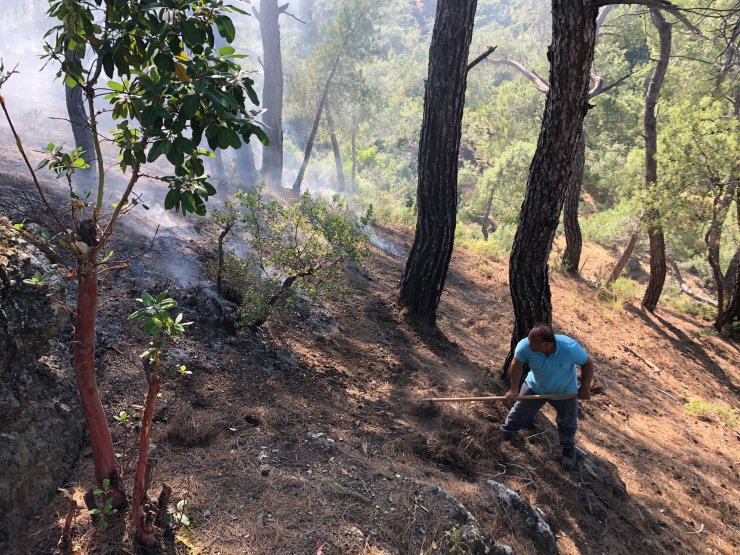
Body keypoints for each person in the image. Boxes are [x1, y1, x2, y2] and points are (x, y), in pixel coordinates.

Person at [501, 323, 595, 470]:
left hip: (565, 391)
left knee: (568, 422)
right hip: (535, 387)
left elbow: (588, 364)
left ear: (547, 344)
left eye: (533, 342)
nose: (529, 344)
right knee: (519, 412)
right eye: (529, 340)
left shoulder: (569, 348)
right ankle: (505, 433)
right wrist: (514, 389)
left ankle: (568, 451)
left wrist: (585, 388)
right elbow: (516, 364)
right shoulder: (525, 346)